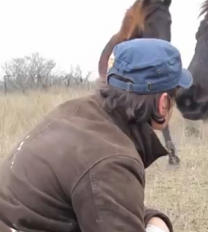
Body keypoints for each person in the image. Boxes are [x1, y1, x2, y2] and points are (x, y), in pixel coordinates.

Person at [0, 38, 193, 232]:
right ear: (163, 103)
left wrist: (153, 219)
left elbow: (100, 200)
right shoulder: (111, 158)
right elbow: (103, 182)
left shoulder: (75, 112)